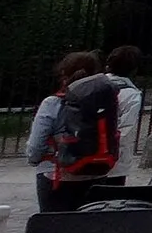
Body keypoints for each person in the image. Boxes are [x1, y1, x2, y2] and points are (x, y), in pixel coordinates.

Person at [25, 50, 117, 211]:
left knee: (54, 229)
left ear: (64, 74)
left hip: (57, 175)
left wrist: (34, 160)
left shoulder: (53, 103)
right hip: (98, 172)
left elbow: (36, 145)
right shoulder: (107, 100)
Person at [103, 45, 145, 181]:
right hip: (114, 164)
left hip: (80, 156)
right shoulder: (131, 95)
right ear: (135, 69)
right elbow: (125, 131)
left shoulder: (90, 86)